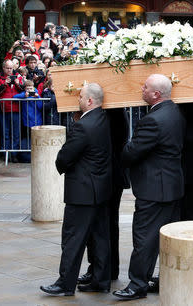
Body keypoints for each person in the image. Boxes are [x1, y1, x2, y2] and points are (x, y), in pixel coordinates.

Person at [113, 74, 185, 301]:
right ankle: (160, 278)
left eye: (145, 87)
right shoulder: (174, 111)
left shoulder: (153, 120)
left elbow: (131, 152)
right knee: (161, 238)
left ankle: (137, 284)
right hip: (171, 185)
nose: (141, 89)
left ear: (156, 94)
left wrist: (123, 146)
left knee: (144, 238)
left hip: (154, 188)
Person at [40, 83, 113, 296]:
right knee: (100, 237)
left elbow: (64, 157)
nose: (77, 99)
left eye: (80, 97)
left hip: (82, 192)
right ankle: (101, 280)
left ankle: (65, 283)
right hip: (100, 189)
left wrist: (60, 165)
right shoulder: (103, 119)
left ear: (90, 101)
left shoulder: (83, 126)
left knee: (73, 239)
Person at [77, 108, 131, 285]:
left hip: (107, 175)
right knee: (106, 225)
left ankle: (102, 270)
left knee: (102, 226)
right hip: (111, 175)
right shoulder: (113, 113)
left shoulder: (109, 114)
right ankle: (105, 268)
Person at [0, 59, 24, 162]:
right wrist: (5, 84)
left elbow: (24, 90)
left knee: (15, 134)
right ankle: (6, 155)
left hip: (16, 109)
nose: (10, 70)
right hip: (3, 110)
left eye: (11, 68)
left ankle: (14, 155)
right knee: (5, 133)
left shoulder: (18, 77)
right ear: (3, 68)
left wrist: (16, 83)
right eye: (7, 68)